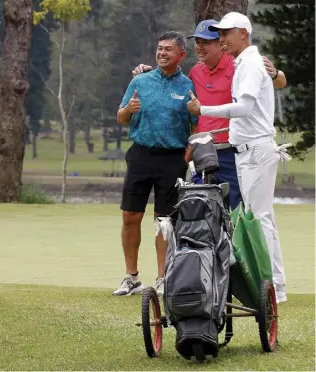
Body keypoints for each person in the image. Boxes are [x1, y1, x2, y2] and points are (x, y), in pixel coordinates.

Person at [186, 12, 288, 303]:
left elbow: (243, 108)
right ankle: (276, 287)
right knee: (264, 218)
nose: (222, 39)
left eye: (226, 33)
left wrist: (203, 110)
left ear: (243, 33)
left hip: (254, 150)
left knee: (259, 220)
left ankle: (267, 286)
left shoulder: (251, 64)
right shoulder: (248, 62)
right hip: (250, 150)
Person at [131, 19, 287, 210]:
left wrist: (275, 73)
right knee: (203, 210)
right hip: (203, 150)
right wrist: (146, 72)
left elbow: (280, 81)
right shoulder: (196, 72)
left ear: (220, 44)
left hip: (230, 148)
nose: (200, 47)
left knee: (235, 208)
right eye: (197, 42)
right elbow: (172, 88)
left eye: (206, 42)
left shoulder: (239, 64)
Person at [112, 31, 198, 297]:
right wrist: (129, 110)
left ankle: (163, 278)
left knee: (165, 221)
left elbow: (196, 127)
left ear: (181, 55)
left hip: (172, 158)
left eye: (168, 50)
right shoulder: (140, 80)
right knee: (130, 216)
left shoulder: (187, 86)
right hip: (141, 154)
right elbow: (121, 118)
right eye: (160, 49)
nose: (162, 53)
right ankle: (131, 277)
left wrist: (185, 158)